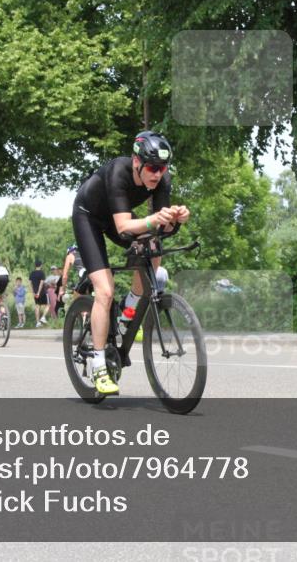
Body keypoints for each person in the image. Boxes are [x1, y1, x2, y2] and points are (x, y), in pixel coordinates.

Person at [71, 130, 190, 395]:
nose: (157, 174)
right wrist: (157, 219)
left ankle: (129, 311)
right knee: (105, 291)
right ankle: (99, 366)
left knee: (153, 245)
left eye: (162, 168)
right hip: (88, 217)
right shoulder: (118, 172)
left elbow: (161, 229)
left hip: (117, 217)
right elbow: (124, 226)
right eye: (151, 167)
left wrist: (176, 219)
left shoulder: (162, 180)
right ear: (137, 162)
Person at [29, 260, 48, 327]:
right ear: (41, 265)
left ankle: (37, 322)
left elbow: (30, 284)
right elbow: (41, 283)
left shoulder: (32, 273)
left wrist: (33, 293)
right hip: (41, 292)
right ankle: (43, 317)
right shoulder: (41, 273)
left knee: (37, 306)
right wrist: (38, 292)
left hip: (35, 293)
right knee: (48, 305)